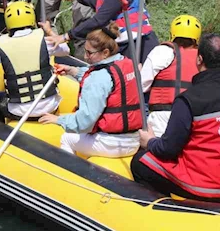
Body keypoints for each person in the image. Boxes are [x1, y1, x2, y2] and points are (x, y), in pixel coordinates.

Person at [131, 34, 220, 202]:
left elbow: (167, 150)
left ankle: (163, 212)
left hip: (205, 188)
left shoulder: (188, 99)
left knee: (139, 162)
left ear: (199, 59)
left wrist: (150, 141)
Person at [39, 23, 143, 158]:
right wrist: (72, 70)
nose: (85, 57)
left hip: (111, 143)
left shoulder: (99, 78)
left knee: (66, 139)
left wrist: (58, 119)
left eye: (89, 53)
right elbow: (107, 80)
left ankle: (69, 174)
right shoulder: (127, 63)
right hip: (133, 140)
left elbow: (85, 122)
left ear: (105, 53)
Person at [0, 1, 69, 122]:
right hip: (50, 107)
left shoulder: (1, 45)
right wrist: (49, 31)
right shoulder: (44, 40)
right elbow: (65, 50)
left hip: (19, 111)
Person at [140, 15, 201, 137]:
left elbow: (141, 86)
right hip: (193, 118)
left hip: (162, 119)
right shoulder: (201, 58)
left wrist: (139, 72)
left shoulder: (163, 51)